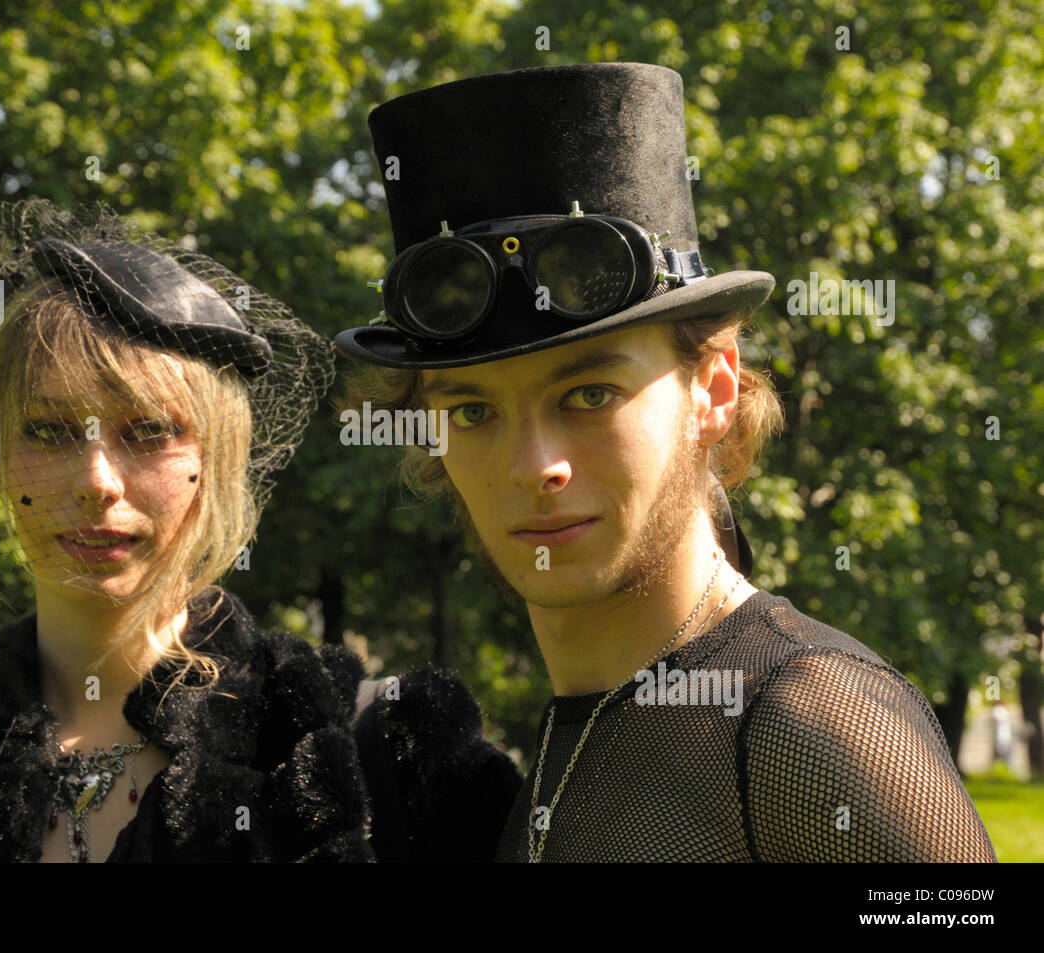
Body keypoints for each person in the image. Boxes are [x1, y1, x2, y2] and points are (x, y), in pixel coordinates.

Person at [335, 63, 997, 862]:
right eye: (473, 411)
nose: (533, 465)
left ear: (713, 389)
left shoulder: (809, 726)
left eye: (588, 393)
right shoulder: (566, 739)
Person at [0, 198, 518, 862]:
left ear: (219, 459)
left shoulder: (388, 756)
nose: (97, 481)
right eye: (48, 431)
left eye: (147, 432)